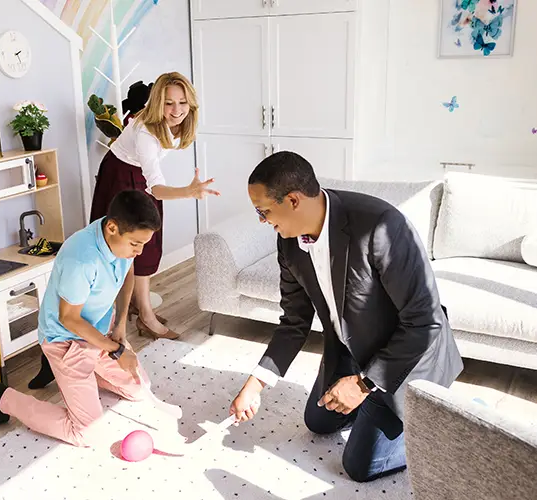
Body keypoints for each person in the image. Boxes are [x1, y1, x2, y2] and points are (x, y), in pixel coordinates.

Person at [229, 151, 463, 482]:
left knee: (359, 467)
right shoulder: (289, 245)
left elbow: (425, 322)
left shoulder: (381, 226)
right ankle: (367, 406)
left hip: (408, 360)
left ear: (293, 200)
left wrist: (364, 384)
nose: (262, 220)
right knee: (318, 421)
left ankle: (434, 421)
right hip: (352, 351)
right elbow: (294, 322)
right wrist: (256, 384)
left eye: (263, 211)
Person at [0, 190, 161, 447]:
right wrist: (115, 350)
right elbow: (68, 319)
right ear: (112, 227)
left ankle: (71, 373)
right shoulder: (81, 258)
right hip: (66, 340)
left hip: (99, 333)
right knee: (87, 434)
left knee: (140, 388)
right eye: (136, 244)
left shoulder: (122, 241)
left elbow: (128, 274)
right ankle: (4, 398)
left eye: (143, 244)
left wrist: (121, 324)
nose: (139, 251)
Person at [90, 70, 219, 341]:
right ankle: (145, 318)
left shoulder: (176, 124)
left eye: (182, 102)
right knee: (130, 245)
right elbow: (157, 188)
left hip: (138, 172)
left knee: (150, 239)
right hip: (120, 174)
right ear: (157, 103)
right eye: (169, 103)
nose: (177, 110)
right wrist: (188, 191)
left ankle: (140, 305)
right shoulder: (146, 133)